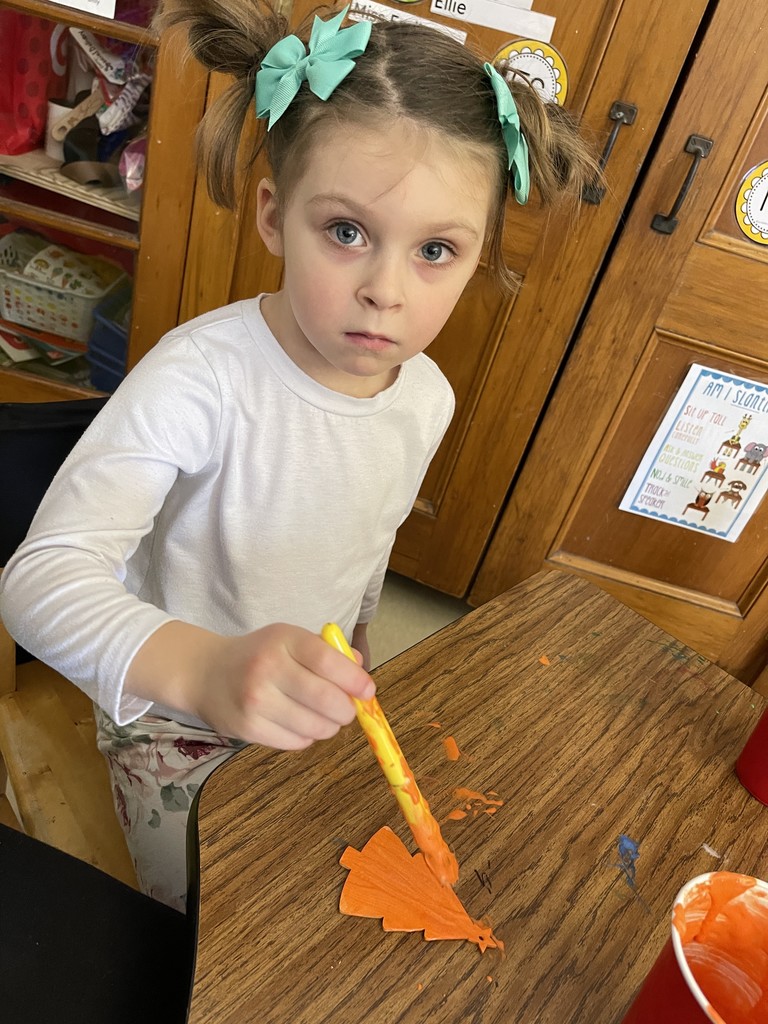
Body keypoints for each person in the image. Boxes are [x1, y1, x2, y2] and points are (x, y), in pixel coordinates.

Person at [0, 0, 599, 911]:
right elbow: (38, 581)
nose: (385, 293)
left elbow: (364, 547)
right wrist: (204, 671)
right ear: (275, 216)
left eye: (436, 250)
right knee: (241, 921)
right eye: (347, 232)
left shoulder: (425, 396)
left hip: (316, 697)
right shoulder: (201, 378)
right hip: (171, 718)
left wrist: (355, 651)